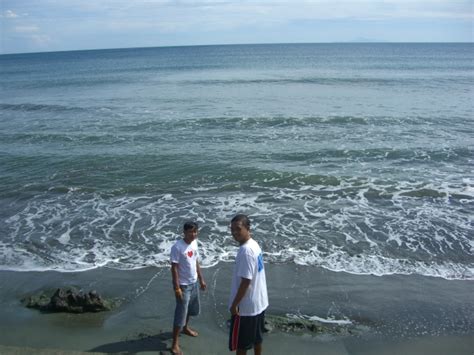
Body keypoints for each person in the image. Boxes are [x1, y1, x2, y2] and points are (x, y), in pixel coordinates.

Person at [228, 214, 269, 355]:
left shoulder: (246, 251)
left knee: (241, 345)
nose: (234, 233)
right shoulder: (254, 244)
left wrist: (234, 305)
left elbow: (246, 282)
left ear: (248, 228)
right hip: (259, 303)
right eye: (232, 229)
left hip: (246, 308)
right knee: (257, 339)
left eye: (238, 229)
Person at [170, 221, 207, 355]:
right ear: (184, 232)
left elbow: (195, 261)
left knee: (190, 309)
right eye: (190, 231)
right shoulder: (177, 247)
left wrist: (201, 279)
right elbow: (173, 268)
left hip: (194, 282)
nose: (193, 234)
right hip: (183, 286)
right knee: (180, 313)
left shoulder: (194, 243)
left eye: (195, 231)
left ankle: (185, 328)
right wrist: (177, 288)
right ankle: (174, 344)